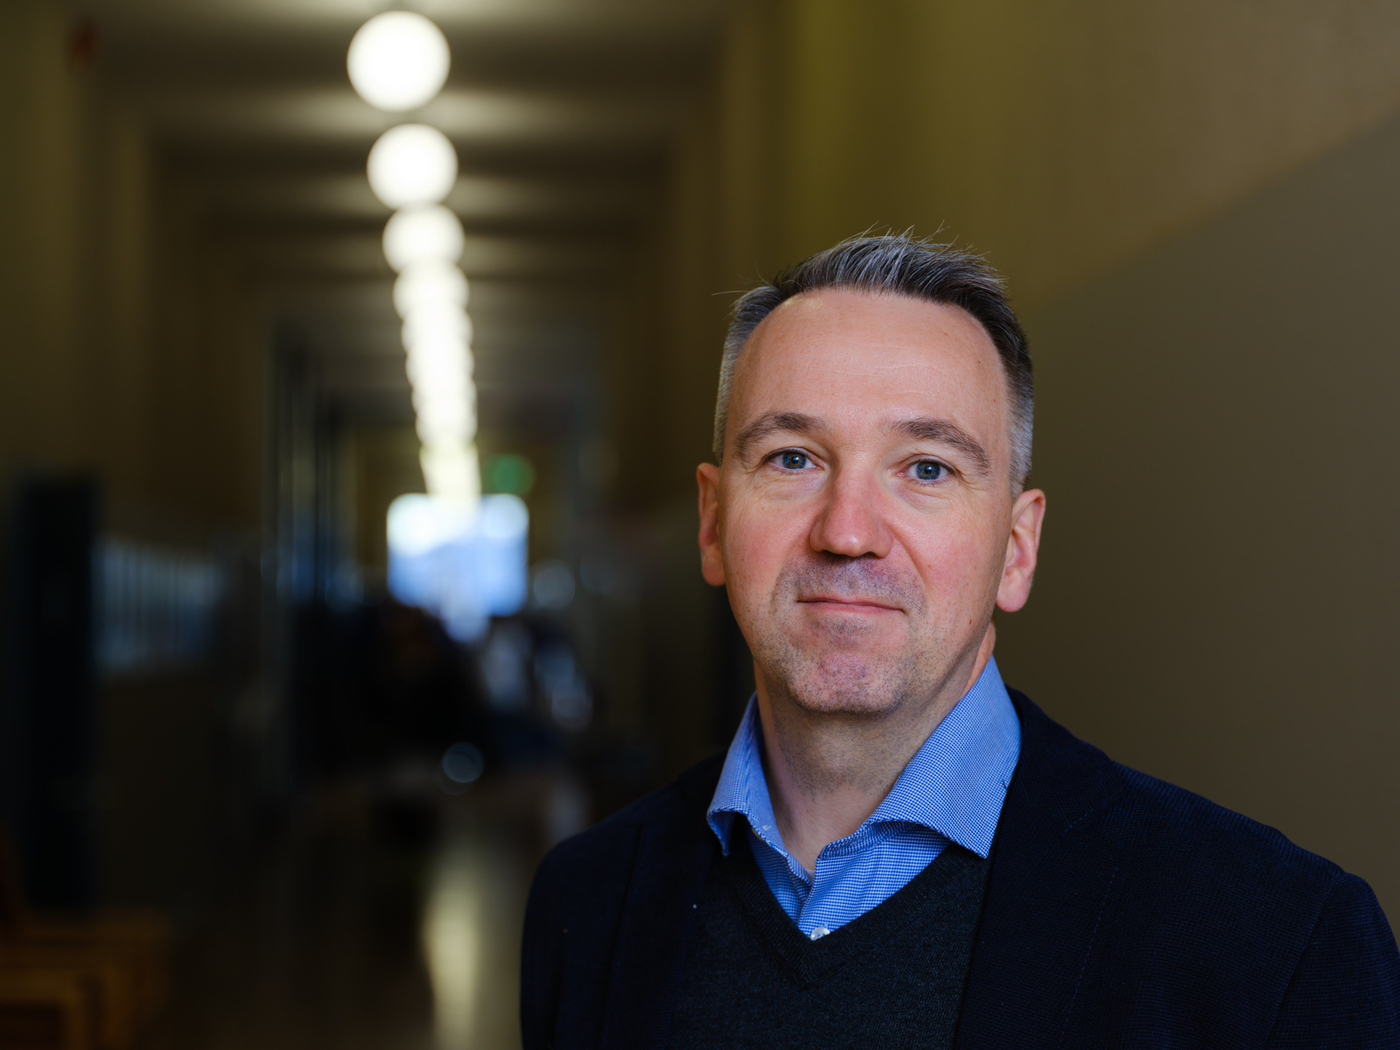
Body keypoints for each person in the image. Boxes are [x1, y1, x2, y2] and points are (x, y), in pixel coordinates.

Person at [520, 234, 1400, 1048]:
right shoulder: (586, 904)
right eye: (792, 458)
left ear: (1016, 549)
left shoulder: (1279, 945)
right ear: (712, 522)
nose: (848, 532)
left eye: (927, 468)